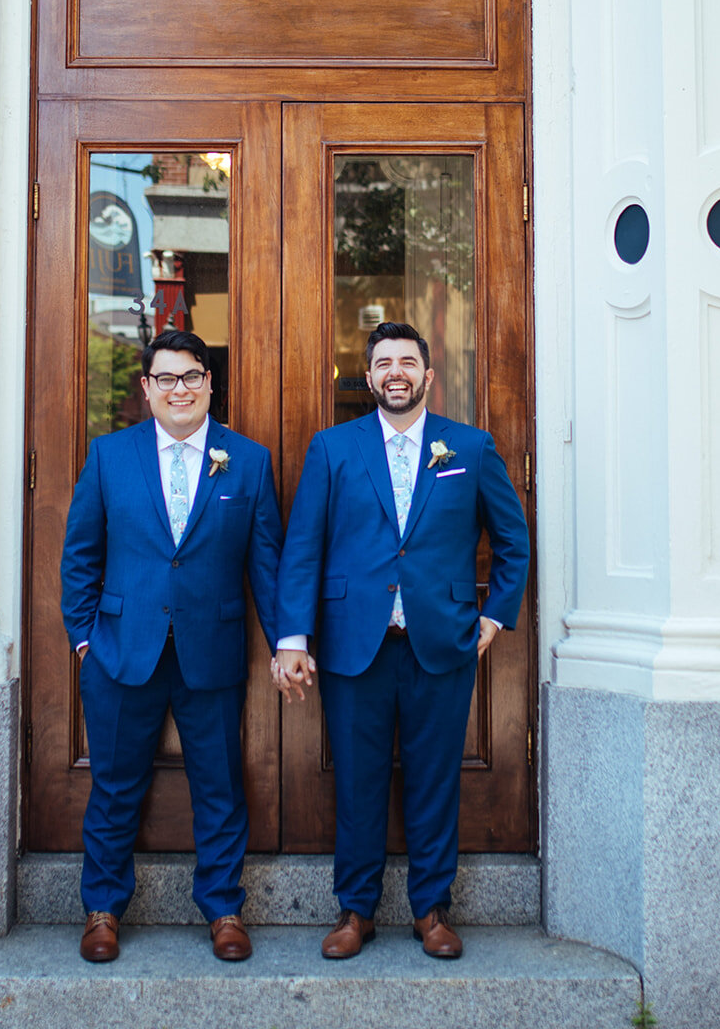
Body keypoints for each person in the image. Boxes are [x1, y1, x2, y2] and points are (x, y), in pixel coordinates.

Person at [272, 321, 529, 961]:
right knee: (358, 780)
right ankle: (355, 911)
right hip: (354, 644)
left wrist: (494, 618)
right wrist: (293, 637)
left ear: (427, 376)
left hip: (441, 642)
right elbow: (303, 548)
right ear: (368, 378)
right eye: (383, 362)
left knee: (435, 778)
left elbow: (513, 541)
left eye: (407, 362)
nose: (395, 372)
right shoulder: (333, 448)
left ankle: (431, 910)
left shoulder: (469, 447)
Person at [61, 329, 281, 964]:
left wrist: (282, 643)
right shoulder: (109, 456)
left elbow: (265, 565)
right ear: (147, 388)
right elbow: (80, 558)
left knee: (219, 786)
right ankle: (102, 909)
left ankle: (223, 908)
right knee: (115, 786)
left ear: (210, 384)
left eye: (191, 377)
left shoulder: (249, 460)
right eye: (166, 378)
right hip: (120, 651)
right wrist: (84, 642)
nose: (179, 389)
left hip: (210, 650)